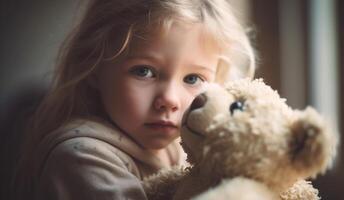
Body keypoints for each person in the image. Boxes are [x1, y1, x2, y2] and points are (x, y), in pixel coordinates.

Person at [12, 0, 256, 199]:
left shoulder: (185, 146)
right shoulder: (80, 158)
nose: (169, 100)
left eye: (193, 78)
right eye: (144, 71)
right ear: (95, 68)